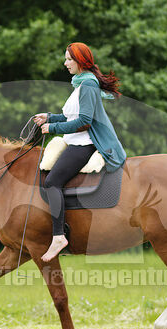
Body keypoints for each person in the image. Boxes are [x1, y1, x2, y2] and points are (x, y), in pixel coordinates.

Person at [34, 42, 127, 262]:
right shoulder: (80, 84)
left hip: (84, 143)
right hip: (74, 140)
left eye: (68, 59)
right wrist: (49, 117)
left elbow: (85, 122)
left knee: (52, 182)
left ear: (80, 61)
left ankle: (59, 236)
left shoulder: (87, 85)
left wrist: (53, 128)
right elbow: (70, 117)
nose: (65, 63)